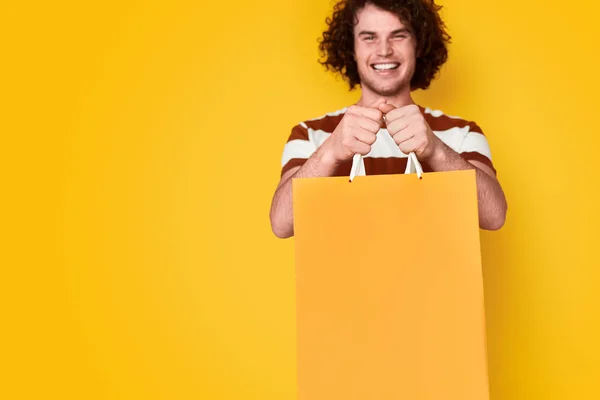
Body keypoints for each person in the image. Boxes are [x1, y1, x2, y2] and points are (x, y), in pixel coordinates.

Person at [269, 0, 507, 238]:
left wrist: (437, 151)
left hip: (435, 276)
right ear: (351, 48)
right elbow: (281, 225)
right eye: (369, 37)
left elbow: (494, 216)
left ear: (418, 44)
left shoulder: (461, 132)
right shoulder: (309, 133)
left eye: (398, 35)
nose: (384, 50)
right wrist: (329, 152)